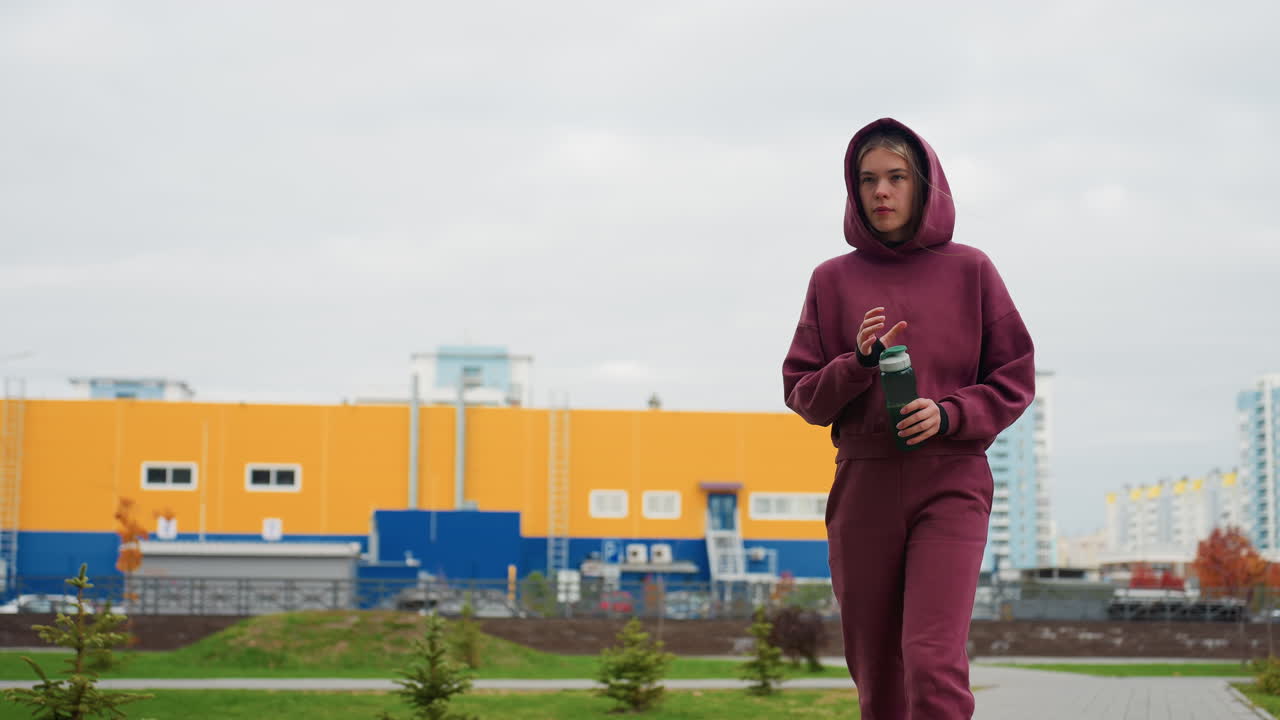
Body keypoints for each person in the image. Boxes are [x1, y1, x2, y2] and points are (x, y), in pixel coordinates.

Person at [781, 118, 1035, 719]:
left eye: (896, 178)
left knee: (931, 658)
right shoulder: (831, 280)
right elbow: (803, 394)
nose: (881, 192)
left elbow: (1014, 377)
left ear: (925, 185)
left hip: (950, 482)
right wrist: (858, 362)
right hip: (863, 486)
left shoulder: (971, 269)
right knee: (877, 674)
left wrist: (949, 415)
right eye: (867, 180)